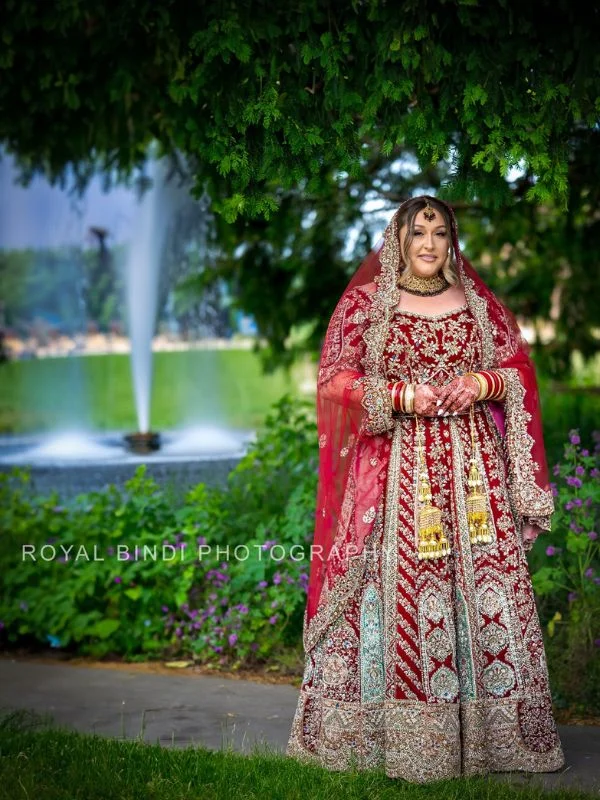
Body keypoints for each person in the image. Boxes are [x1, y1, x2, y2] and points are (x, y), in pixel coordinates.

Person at [286, 195, 565, 782]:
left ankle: (498, 739)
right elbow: (334, 379)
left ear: (452, 240)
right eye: (418, 232)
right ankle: (393, 741)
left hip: (474, 478)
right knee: (400, 589)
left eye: (440, 232)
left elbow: (518, 370)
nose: (430, 244)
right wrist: (399, 396)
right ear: (400, 240)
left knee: (488, 585)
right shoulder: (369, 304)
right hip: (396, 473)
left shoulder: (477, 303)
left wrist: (482, 381)